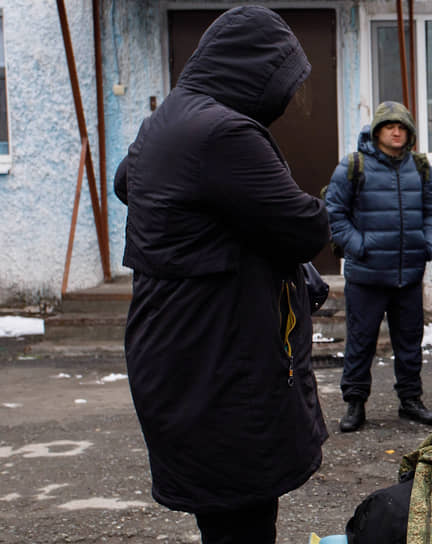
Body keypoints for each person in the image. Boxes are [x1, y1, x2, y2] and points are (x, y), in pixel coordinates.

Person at [113, 7, 328, 543]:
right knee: (244, 522)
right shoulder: (223, 132)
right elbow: (305, 228)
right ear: (255, 74)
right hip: (220, 362)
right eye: (282, 84)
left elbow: (127, 183)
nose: (286, 101)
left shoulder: (165, 121)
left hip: (178, 352)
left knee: (226, 519)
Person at [324, 101, 432, 433]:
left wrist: (428, 242)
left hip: (408, 273)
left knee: (409, 341)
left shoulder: (418, 167)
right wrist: (359, 246)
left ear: (410, 133)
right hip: (367, 276)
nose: (396, 132)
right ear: (377, 131)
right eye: (390, 126)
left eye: (402, 127)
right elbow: (334, 213)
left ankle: (410, 400)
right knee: (360, 341)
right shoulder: (354, 165)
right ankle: (355, 403)